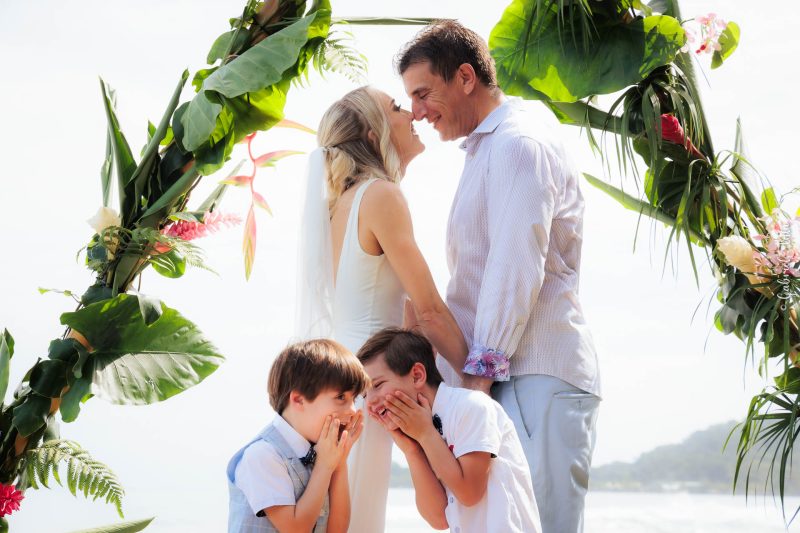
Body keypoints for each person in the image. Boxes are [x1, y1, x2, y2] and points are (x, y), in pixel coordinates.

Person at [397, 20, 602, 533]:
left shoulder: (517, 144)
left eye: (422, 93)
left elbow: (515, 266)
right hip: (508, 376)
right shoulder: (489, 147)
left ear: (465, 77)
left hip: (531, 372)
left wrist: (477, 378)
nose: (417, 112)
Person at [295, 86, 468, 532]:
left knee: (347, 509)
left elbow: (408, 312)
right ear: (374, 137)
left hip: (341, 373)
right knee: (361, 513)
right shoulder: (382, 196)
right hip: (372, 379)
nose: (411, 113)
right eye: (396, 108)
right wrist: (475, 378)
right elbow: (428, 310)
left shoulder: (343, 204)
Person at [358, 327, 541, 533]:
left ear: (417, 375)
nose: (370, 402)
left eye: (378, 385)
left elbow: (469, 493)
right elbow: (438, 519)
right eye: (364, 396)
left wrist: (426, 435)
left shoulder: (472, 407)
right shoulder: (422, 430)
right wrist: (412, 450)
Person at [226, 339, 369, 532]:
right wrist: (325, 467)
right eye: (341, 397)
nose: (352, 410)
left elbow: (337, 530)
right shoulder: (263, 455)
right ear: (298, 399)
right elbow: (296, 529)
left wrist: (340, 462)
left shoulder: (322, 454)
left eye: (354, 399)